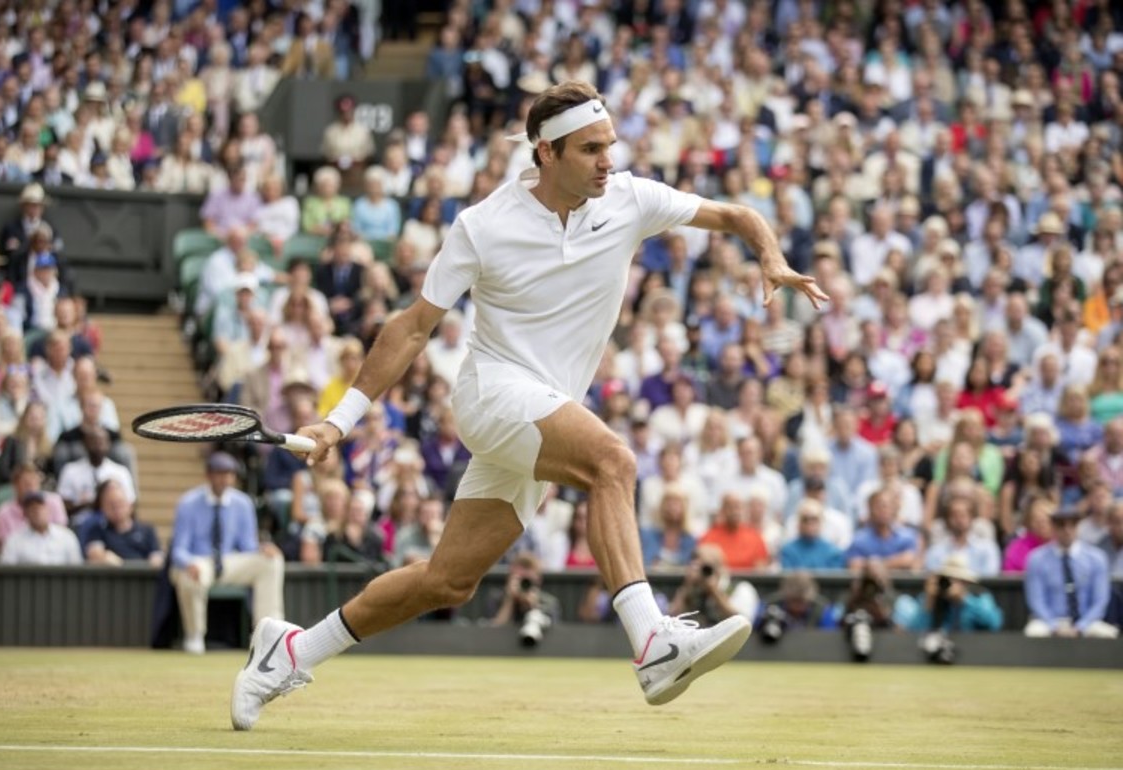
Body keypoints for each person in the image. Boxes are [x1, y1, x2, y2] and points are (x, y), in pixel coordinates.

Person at [229, 80, 827, 729]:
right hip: (492, 392)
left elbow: (737, 216)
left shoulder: (630, 198)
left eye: (609, 146)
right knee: (613, 462)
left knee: (447, 581)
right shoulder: (483, 225)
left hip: (543, 410)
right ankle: (652, 642)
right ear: (547, 152)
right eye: (590, 149)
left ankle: (290, 651)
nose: (607, 161)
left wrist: (770, 258)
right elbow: (412, 328)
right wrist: (338, 421)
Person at [170, 452, 286, 655]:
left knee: (272, 561)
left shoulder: (243, 503)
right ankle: (195, 635)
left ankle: (268, 634)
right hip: (199, 561)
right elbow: (178, 549)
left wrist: (262, 548)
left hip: (228, 561)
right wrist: (189, 563)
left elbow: (247, 546)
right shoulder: (188, 503)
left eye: (229, 474)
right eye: (220, 473)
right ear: (208, 475)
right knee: (190, 575)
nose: (225, 479)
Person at [1023, 506, 1118, 639]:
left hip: (1086, 621)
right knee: (1034, 632)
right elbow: (1036, 601)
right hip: (1049, 620)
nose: (1067, 530)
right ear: (1054, 527)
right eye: (1061, 525)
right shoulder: (1036, 559)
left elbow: (1100, 601)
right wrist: (1054, 626)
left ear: (1078, 527)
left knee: (1108, 634)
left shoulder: (1097, 558)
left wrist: (1081, 627)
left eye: (1072, 524)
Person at [895, 554, 1004, 664]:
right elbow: (914, 633)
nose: (950, 584)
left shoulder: (979, 596)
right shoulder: (932, 598)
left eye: (956, 580)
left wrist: (964, 600)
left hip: (975, 656)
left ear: (965, 582)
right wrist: (929, 604)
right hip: (937, 656)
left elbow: (994, 624)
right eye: (947, 579)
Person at [81, 480, 163, 566]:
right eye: (111, 505)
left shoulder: (147, 531)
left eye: (120, 503)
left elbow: (157, 558)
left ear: (130, 505)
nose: (116, 510)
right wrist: (108, 558)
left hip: (141, 573)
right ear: (103, 507)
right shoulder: (97, 530)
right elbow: (94, 554)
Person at [0, 491, 84, 566]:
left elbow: (76, 568)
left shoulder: (67, 537)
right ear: (25, 514)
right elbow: (7, 570)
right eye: (32, 508)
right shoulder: (14, 540)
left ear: (48, 510)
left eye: (40, 507)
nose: (37, 511)